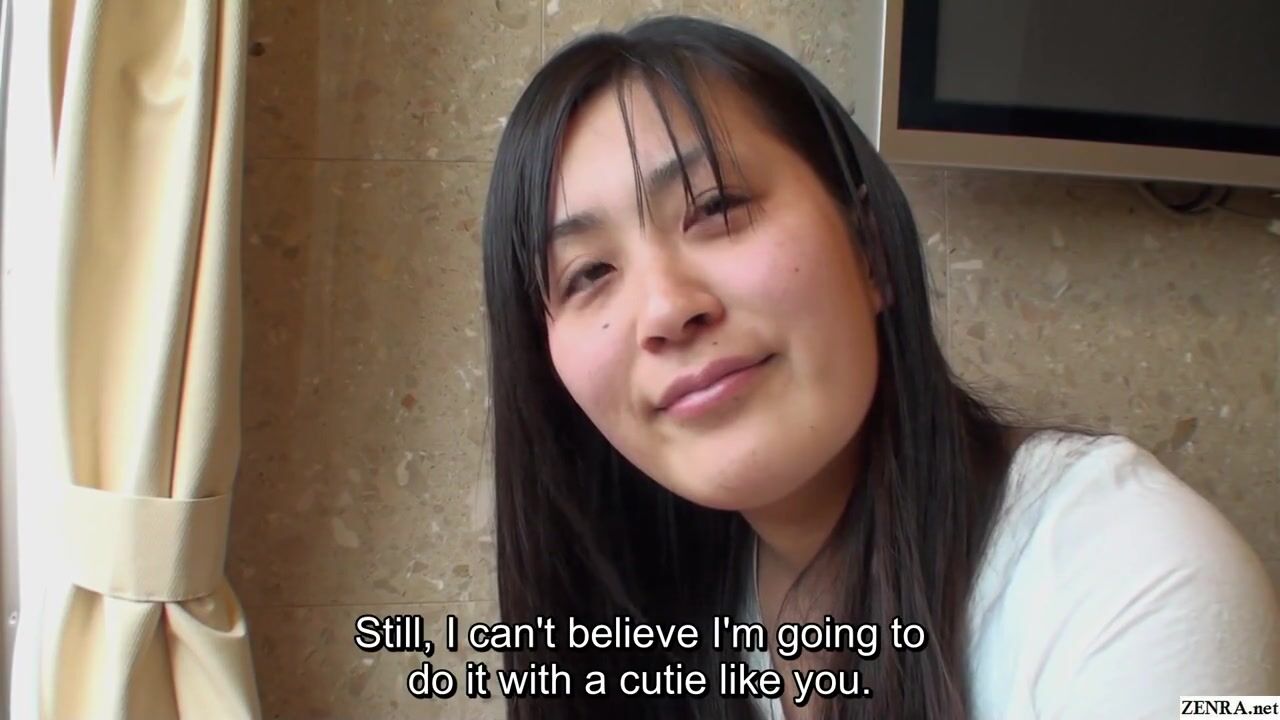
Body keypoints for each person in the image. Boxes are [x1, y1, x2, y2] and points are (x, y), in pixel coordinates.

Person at [480, 15, 1279, 719]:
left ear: (870, 249)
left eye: (716, 206)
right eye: (588, 273)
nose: (664, 310)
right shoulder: (659, 607)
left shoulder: (1146, 574)